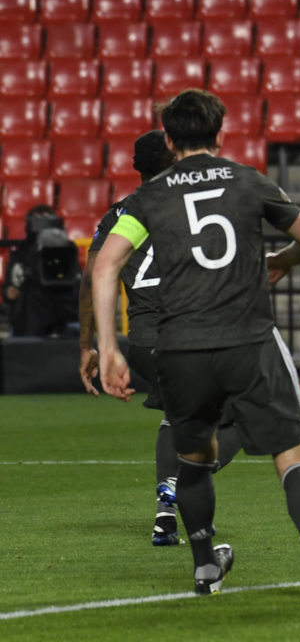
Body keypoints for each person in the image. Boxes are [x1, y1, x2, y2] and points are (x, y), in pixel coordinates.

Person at [92, 89, 300, 601]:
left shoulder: (146, 198)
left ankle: (205, 566)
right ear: (220, 133)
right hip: (247, 338)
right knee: (293, 452)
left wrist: (108, 347)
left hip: (180, 347)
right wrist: (282, 260)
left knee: (193, 458)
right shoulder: (248, 180)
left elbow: (105, 265)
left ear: (169, 139)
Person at [78, 129, 242, 547]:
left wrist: (89, 345)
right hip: (192, 335)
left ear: (137, 168)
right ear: (175, 161)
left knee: (177, 415)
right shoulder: (192, 207)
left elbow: (92, 277)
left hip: (145, 344)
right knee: (245, 415)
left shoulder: (119, 215)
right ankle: (185, 482)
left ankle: (166, 514)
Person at [2, 205, 80, 337]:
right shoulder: (20, 253)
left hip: (64, 316)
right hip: (28, 319)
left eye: (47, 220)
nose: (42, 225)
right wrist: (9, 292)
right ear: (29, 224)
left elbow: (76, 280)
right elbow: (8, 288)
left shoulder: (65, 250)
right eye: (38, 220)